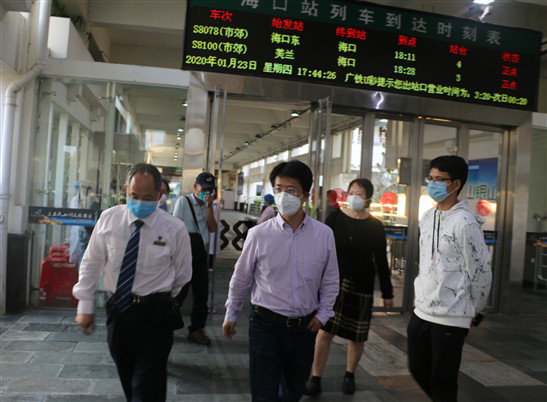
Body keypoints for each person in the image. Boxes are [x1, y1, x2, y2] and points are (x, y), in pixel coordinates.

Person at [72, 163, 193, 401]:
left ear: (160, 195)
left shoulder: (174, 228)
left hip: (156, 314)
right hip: (119, 310)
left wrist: (166, 302)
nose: (139, 202)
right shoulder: (109, 219)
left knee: (147, 387)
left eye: (147, 197)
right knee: (128, 378)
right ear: (126, 190)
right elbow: (92, 262)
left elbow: (182, 275)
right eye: (133, 196)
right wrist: (85, 307)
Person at [223, 160, 339, 402]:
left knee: (293, 392)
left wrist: (324, 313)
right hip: (266, 324)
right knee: (264, 392)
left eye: (291, 190)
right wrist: (231, 313)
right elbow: (241, 277)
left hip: (305, 328)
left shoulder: (323, 235)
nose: (283, 195)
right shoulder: (259, 234)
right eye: (278, 189)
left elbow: (330, 279)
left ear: (306, 195)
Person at [407, 155, 492, 402]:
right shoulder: (428, 216)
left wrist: (474, 308)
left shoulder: (466, 222)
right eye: (430, 178)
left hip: (452, 315)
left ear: (455, 184)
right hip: (422, 310)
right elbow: (426, 262)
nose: (432, 184)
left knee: (442, 381)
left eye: (439, 180)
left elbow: (481, 271)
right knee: (417, 368)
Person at [305, 178, 393, 396]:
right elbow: (320, 250)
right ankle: (315, 378)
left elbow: (381, 260)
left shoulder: (375, 226)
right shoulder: (335, 218)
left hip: (361, 285)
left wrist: (387, 292)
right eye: (352, 192)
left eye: (360, 194)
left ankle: (350, 375)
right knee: (325, 331)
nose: (354, 197)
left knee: (357, 335)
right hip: (334, 284)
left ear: (369, 199)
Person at [173, 171, 218, 345]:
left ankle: (197, 329)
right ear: (195, 187)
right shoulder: (183, 202)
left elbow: (212, 229)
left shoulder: (209, 205)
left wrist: (209, 207)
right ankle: (166, 326)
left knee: (201, 294)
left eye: (210, 189)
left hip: (200, 254)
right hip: (183, 254)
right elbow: (175, 228)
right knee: (179, 292)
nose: (207, 192)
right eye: (204, 188)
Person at [69, 179, 85, 265]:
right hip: (77, 228)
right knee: (76, 250)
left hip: (84, 229)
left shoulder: (86, 199)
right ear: (77, 188)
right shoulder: (75, 200)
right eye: (80, 187)